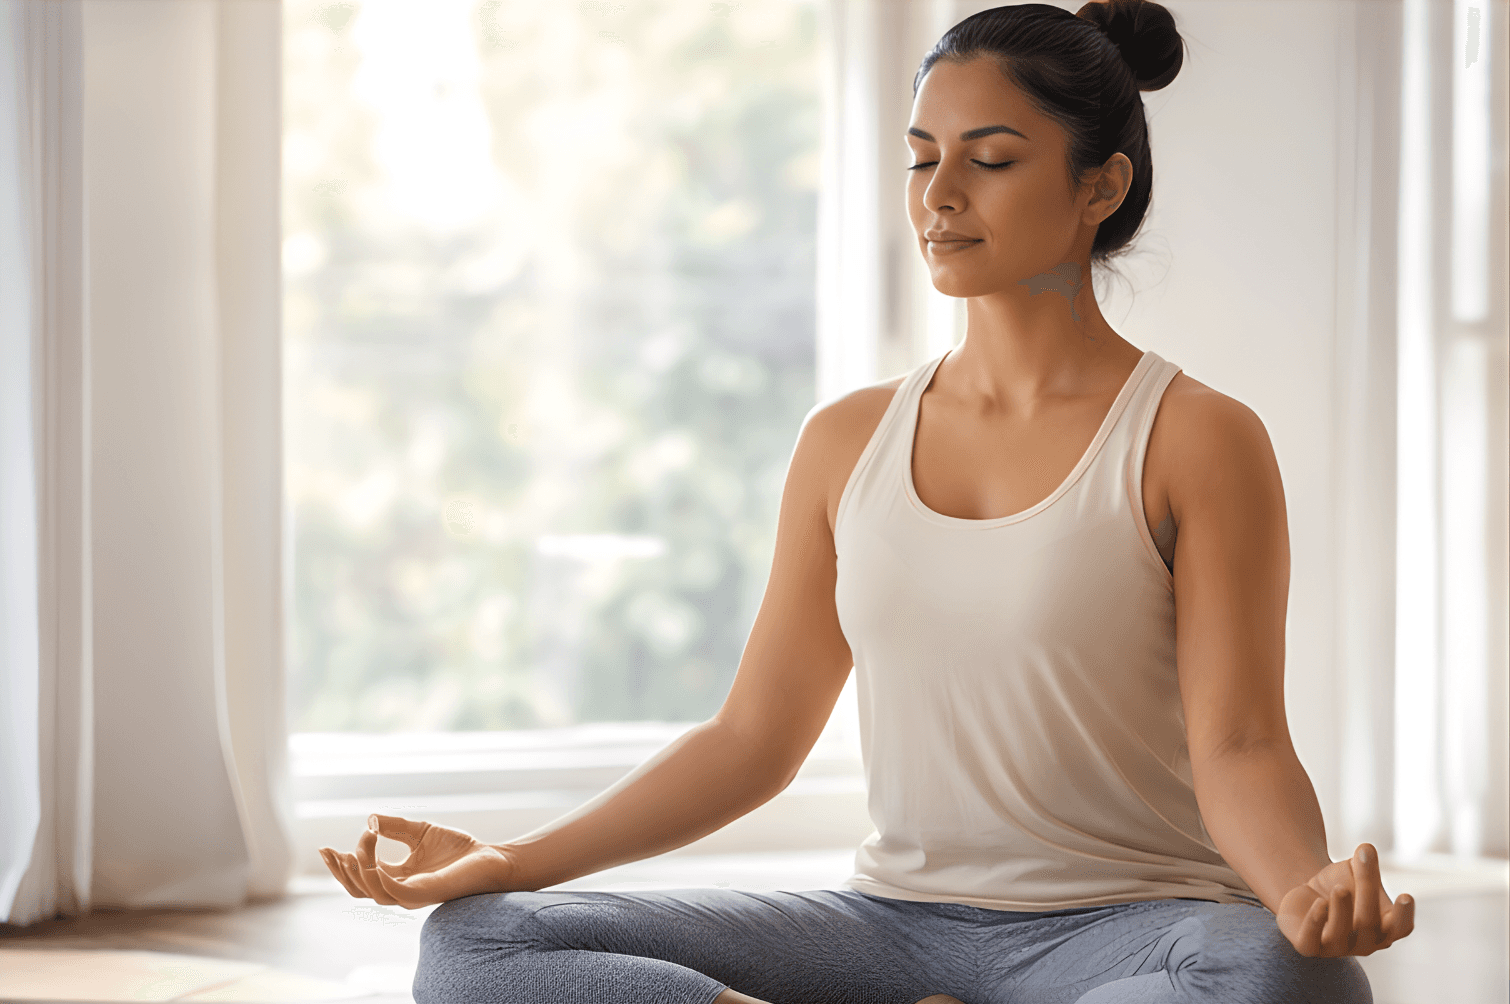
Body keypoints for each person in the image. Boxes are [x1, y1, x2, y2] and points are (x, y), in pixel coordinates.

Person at [319, 3, 1416, 1001]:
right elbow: (753, 736)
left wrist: (1303, 894)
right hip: (890, 930)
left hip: (1133, 934)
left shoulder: (1194, 435)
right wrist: (510, 858)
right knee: (479, 942)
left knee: (1288, 982)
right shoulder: (846, 440)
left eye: (989, 160)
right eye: (921, 158)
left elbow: (1239, 745)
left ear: (1101, 185)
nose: (939, 196)